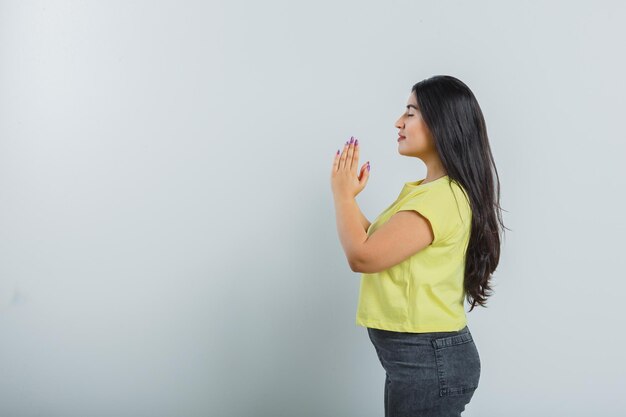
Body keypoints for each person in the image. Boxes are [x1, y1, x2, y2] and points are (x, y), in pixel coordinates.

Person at [330, 75, 506, 416]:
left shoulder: (441, 198)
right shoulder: (432, 192)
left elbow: (363, 256)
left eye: (410, 112)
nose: (399, 122)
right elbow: (378, 245)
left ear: (442, 123)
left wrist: (340, 195)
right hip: (423, 360)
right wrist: (349, 199)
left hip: (428, 361)